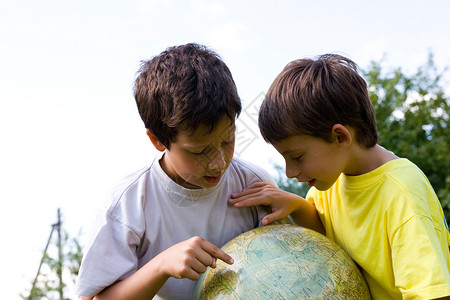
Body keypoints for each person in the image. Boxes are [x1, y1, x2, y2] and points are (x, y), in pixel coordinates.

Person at [229, 54, 450, 299]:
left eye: (297, 157)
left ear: (340, 137)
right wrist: (297, 205)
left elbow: (432, 293)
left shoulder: (402, 193)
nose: (290, 172)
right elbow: (326, 241)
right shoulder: (329, 185)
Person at [76, 43, 279, 300]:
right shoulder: (127, 203)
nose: (219, 162)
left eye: (228, 140)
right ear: (158, 140)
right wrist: (161, 266)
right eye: (198, 151)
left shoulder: (254, 184)